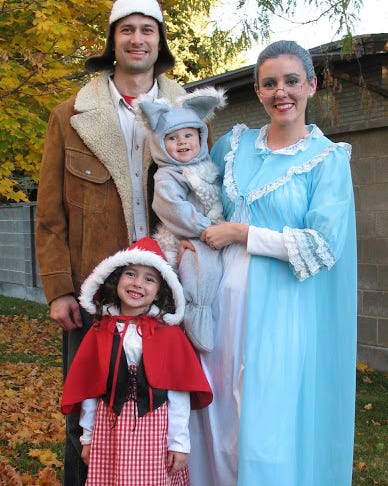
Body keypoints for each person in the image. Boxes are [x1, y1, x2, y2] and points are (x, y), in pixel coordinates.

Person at [188, 40, 357, 486]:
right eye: (269, 83)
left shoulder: (327, 159)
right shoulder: (232, 144)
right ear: (259, 91)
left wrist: (243, 234)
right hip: (217, 305)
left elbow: (323, 245)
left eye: (291, 81)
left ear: (311, 85)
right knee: (218, 413)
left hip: (282, 313)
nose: (281, 92)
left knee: (265, 421)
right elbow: (194, 188)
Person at [35, 1, 185, 484]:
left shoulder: (186, 113)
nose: (137, 39)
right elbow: (50, 211)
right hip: (93, 294)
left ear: (159, 42)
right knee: (89, 411)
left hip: (168, 290)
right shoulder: (71, 115)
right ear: (112, 41)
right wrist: (59, 289)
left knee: (168, 405)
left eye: (147, 30)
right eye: (127, 30)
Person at [61, 237, 213, 486]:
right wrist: (87, 437)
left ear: (160, 291)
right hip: (110, 431)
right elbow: (91, 389)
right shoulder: (101, 331)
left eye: (149, 279)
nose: (137, 283)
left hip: (155, 432)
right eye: (130, 274)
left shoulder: (169, 335)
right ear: (115, 279)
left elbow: (177, 392)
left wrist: (179, 443)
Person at [136, 87, 226, 351]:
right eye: (172, 138)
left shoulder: (207, 167)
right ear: (161, 145)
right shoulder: (167, 176)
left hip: (211, 234)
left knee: (216, 275)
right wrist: (208, 229)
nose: (183, 142)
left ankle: (208, 319)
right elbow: (174, 210)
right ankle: (195, 319)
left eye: (189, 135)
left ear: (201, 136)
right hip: (185, 236)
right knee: (200, 275)